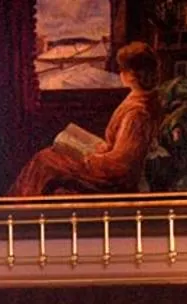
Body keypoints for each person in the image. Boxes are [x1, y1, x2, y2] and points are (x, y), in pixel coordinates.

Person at [9, 42, 161, 196]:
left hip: (112, 177)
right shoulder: (142, 98)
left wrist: (89, 157)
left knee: (45, 160)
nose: (120, 73)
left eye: (123, 69)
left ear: (132, 75)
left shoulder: (137, 113)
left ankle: (17, 207)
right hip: (108, 164)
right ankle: (17, 205)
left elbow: (121, 164)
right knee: (47, 157)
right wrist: (100, 148)